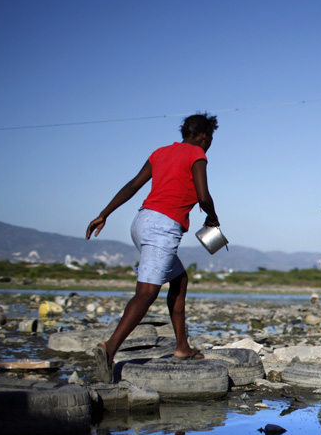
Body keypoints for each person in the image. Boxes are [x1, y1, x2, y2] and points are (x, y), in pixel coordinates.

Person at [86, 113, 221, 383]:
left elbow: (134, 184)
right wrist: (213, 218)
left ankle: (182, 347)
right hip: (163, 226)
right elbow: (203, 195)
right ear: (205, 136)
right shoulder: (196, 153)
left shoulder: (161, 152)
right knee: (147, 293)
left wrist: (105, 213)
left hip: (141, 221)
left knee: (179, 279)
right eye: (210, 140)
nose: (209, 144)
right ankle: (109, 347)